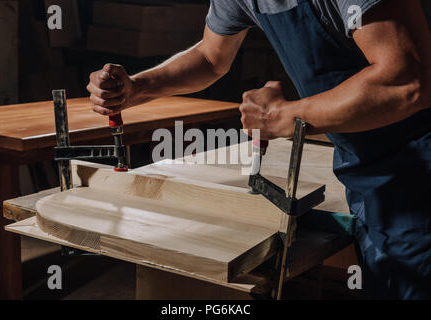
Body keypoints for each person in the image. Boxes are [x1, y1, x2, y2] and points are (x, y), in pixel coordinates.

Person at [86, 0, 431, 299]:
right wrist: (137, 88)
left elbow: (408, 80)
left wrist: (283, 116)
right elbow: (210, 57)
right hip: (368, 169)